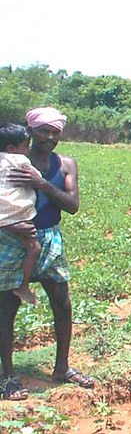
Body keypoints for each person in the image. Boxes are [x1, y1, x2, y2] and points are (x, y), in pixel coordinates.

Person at [0, 107, 91, 397]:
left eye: (55, 132)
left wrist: (40, 184)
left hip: (50, 239)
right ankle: (9, 377)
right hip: (11, 238)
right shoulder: (9, 161)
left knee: (62, 303)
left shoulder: (65, 164)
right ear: (31, 131)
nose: (49, 137)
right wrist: (12, 228)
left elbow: (72, 205)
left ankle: (62, 367)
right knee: (6, 309)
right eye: (43, 131)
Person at [0, 124, 42, 307]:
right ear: (11, 149)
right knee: (34, 248)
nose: (29, 149)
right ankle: (23, 286)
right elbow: (37, 178)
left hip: (2, 218)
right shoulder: (20, 160)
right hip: (17, 216)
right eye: (26, 145)